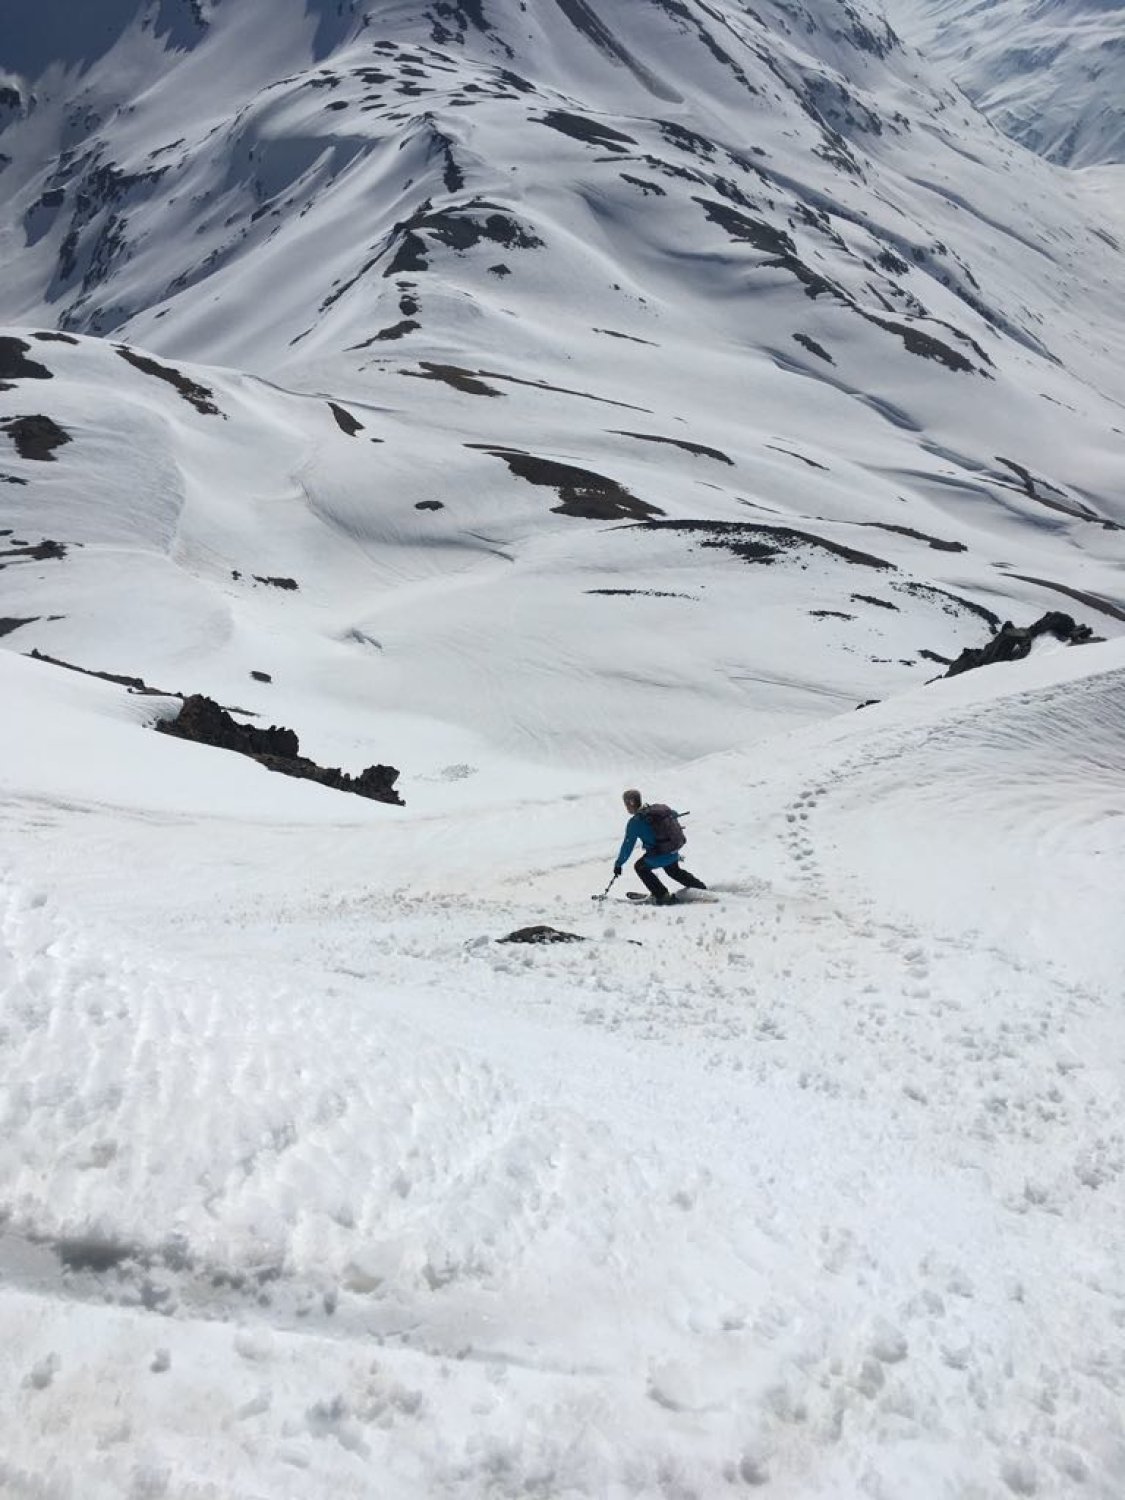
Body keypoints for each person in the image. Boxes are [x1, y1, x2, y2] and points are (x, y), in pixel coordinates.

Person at [613, 789, 707, 903]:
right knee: (673, 871)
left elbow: (627, 846)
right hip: (672, 851)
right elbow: (674, 814)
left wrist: (619, 864)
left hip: (659, 855)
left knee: (640, 867)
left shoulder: (635, 822)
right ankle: (699, 887)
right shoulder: (658, 810)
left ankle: (662, 895)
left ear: (630, 803)